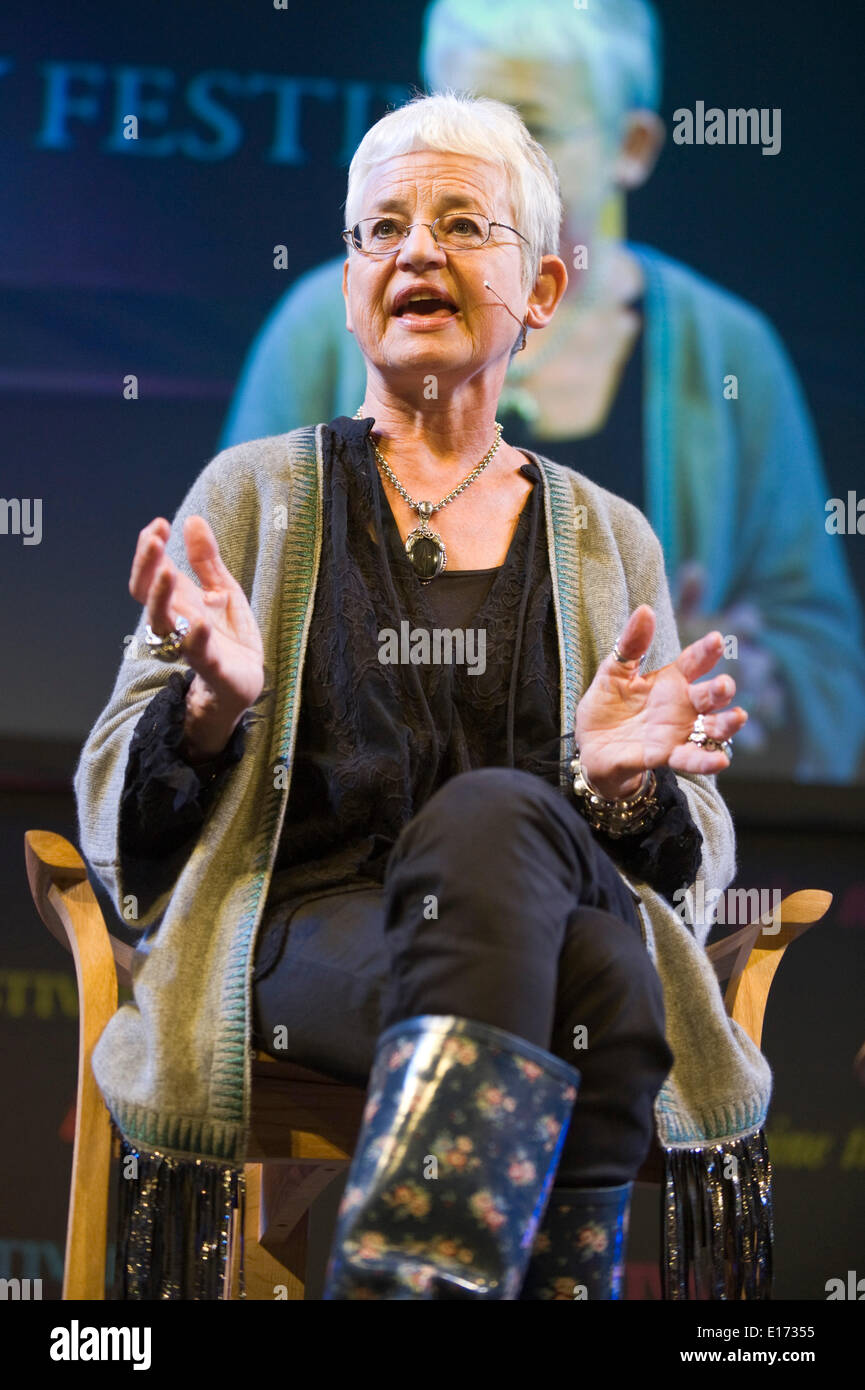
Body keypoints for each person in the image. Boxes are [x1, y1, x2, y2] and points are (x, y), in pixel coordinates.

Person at [75, 92, 772, 1302]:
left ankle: (414, 1280)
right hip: (307, 930)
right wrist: (208, 712)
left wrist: (620, 792)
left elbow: (688, 852)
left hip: (550, 928)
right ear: (350, 288)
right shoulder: (251, 495)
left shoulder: (611, 540)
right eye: (381, 228)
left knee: (569, 919)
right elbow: (117, 829)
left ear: (542, 292)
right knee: (600, 982)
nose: (415, 253)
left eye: (462, 223)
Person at [219, 0, 865, 784]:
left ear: (629, 147)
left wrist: (717, 674)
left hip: (625, 842)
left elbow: (821, 658)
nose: (483, 167)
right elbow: (231, 608)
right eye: (459, 121)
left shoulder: (727, 351)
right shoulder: (326, 324)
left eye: (530, 130)